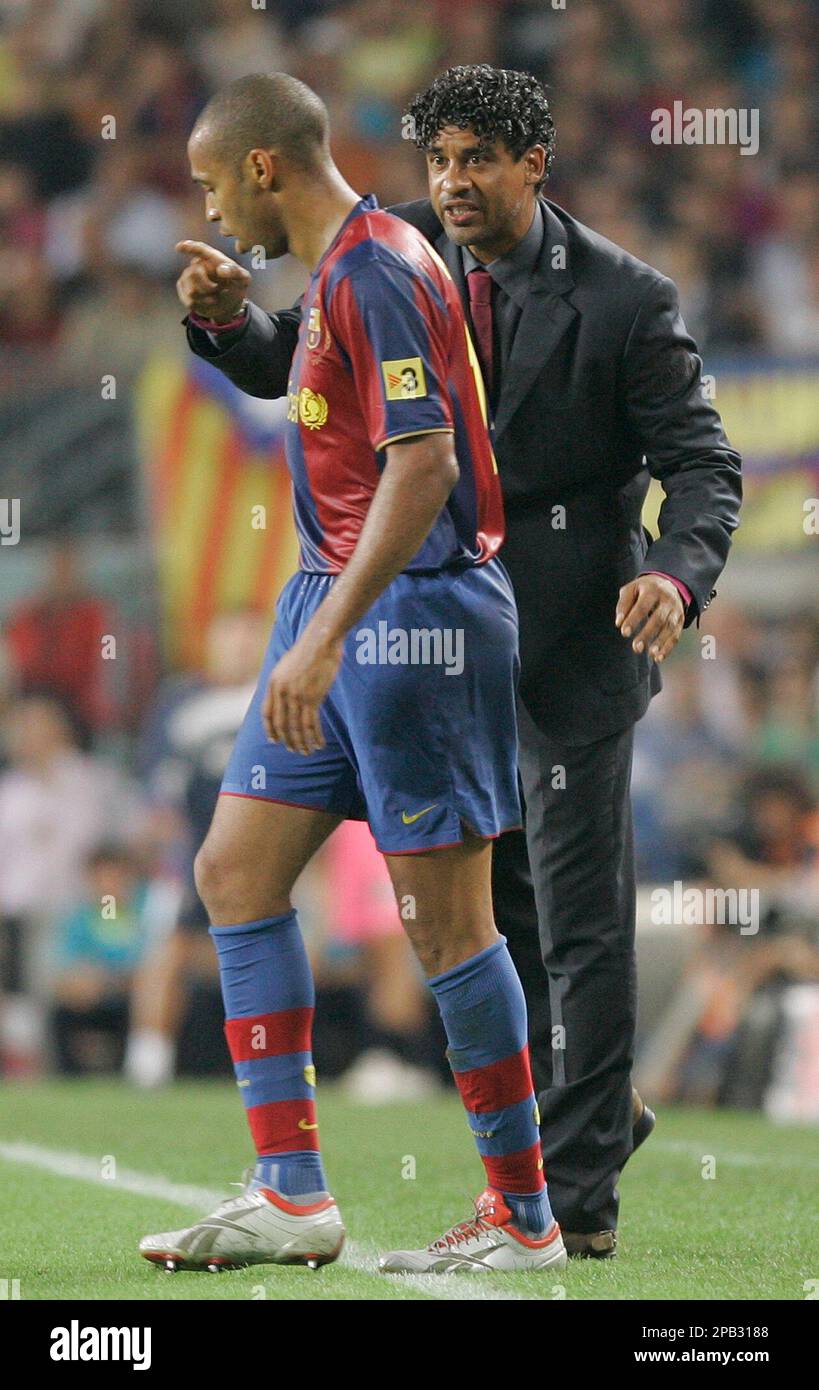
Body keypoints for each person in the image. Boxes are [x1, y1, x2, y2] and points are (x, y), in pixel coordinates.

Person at [178, 64, 743, 1256]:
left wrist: (675, 574)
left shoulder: (624, 299)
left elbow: (704, 461)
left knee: (571, 933)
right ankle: (542, 1136)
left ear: (535, 164)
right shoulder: (404, 249)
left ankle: (566, 1208)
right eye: (439, 160)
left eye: (479, 159)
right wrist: (232, 324)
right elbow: (319, 377)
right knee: (505, 930)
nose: (454, 182)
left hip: (558, 640)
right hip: (409, 609)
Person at [139, 72, 566, 1277]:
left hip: (411, 620)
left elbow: (422, 468)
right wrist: (229, 320)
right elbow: (305, 385)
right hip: (330, 604)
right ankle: (289, 1194)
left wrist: (331, 637)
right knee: (234, 870)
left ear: (265, 166)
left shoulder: (378, 269)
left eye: (218, 187)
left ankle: (522, 1217)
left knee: (444, 927)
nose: (218, 214)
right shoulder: (339, 269)